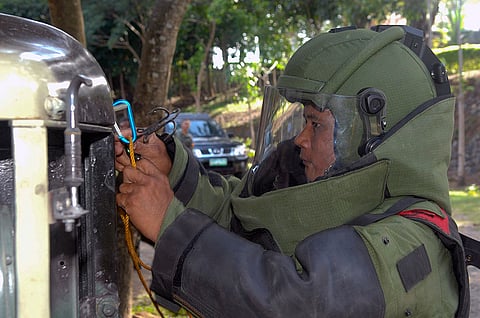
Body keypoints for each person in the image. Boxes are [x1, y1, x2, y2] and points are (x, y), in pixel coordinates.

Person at [115, 25, 473, 317]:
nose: (301, 139)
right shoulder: (337, 205)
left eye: (316, 124)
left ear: (371, 133)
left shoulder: (413, 240)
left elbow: (298, 302)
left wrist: (170, 223)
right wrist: (170, 173)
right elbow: (242, 223)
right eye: (304, 122)